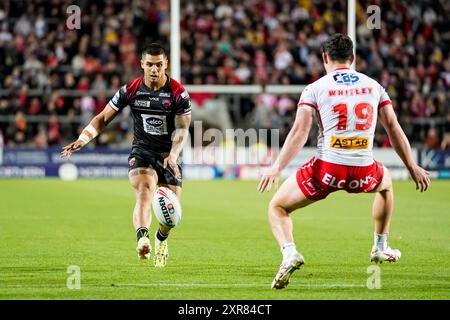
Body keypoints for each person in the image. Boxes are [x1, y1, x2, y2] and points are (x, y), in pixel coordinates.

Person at [258, 34, 430, 290]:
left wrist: (277, 167)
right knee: (386, 184)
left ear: (325, 58)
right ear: (354, 58)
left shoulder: (315, 88)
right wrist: (412, 166)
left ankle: (289, 253)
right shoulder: (374, 86)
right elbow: (393, 128)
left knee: (277, 207)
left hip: (327, 170)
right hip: (364, 170)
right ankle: (380, 247)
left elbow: (300, 133)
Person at [61, 43, 192, 267]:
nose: (154, 69)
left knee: (171, 212)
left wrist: (173, 155)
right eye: (149, 64)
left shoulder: (178, 93)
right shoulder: (130, 90)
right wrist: (84, 138)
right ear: (142, 64)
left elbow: (182, 129)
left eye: (159, 65)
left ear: (166, 65)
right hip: (142, 149)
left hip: (169, 153)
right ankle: (142, 238)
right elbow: (103, 118)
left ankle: (162, 237)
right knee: (144, 190)